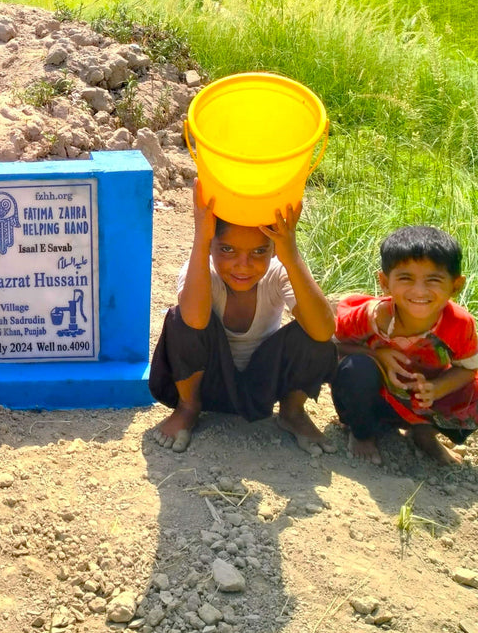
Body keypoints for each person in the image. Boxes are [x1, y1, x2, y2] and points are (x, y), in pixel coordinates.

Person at [149, 179, 337, 455]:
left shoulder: (278, 273)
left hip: (261, 385)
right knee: (181, 319)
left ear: (273, 250)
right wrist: (201, 239)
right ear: (211, 246)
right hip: (208, 382)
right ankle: (188, 408)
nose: (243, 265)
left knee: (317, 335)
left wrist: (291, 256)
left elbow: (323, 330)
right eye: (227, 250)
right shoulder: (200, 270)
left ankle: (292, 412)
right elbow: (193, 320)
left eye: (259, 251)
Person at [332, 225, 478, 467]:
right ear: (385, 282)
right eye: (405, 278)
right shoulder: (371, 316)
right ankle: (361, 433)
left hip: (422, 399)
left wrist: (437, 388)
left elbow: (467, 368)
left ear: (456, 285)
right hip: (373, 397)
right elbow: (333, 345)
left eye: (433, 279)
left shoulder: (459, 324)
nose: (419, 290)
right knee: (355, 368)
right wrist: (375, 355)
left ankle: (423, 433)